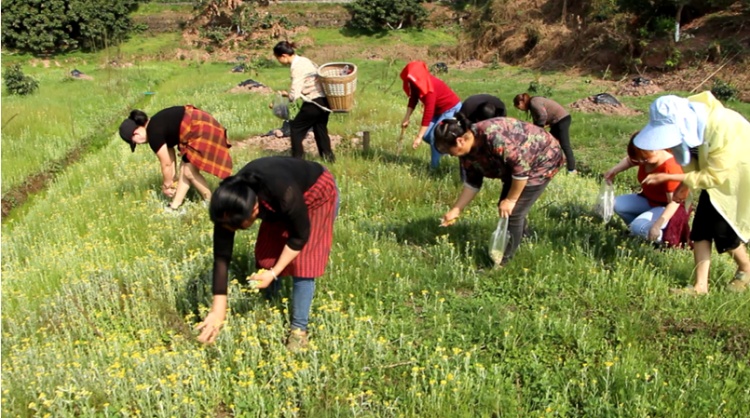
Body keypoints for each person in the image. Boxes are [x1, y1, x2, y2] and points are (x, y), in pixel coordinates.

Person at [197, 156, 339, 351]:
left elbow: (299, 237)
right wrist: (217, 309)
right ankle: (269, 302)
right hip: (280, 197)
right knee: (267, 255)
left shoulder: (283, 193)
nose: (232, 231)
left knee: (304, 264)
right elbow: (221, 258)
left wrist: (274, 272)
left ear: (255, 209)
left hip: (315, 193)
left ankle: (299, 330)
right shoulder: (229, 203)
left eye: (238, 227)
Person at [635, 92, 750, 294]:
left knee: (723, 229)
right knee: (701, 228)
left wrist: (671, 179)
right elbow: (688, 160)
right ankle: (700, 287)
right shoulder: (686, 124)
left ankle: (746, 268)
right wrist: (684, 185)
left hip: (739, 175)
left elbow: (715, 176)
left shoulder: (721, 126)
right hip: (715, 176)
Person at [434, 114, 564, 264]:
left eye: (449, 151)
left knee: (513, 212)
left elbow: (521, 170)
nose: (450, 155)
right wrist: (456, 209)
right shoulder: (466, 152)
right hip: (516, 169)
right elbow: (473, 182)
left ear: (460, 140)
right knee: (506, 209)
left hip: (542, 160)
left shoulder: (493, 137)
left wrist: (511, 199)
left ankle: (503, 262)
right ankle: (524, 237)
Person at [118, 106, 233, 210]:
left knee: (188, 171)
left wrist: (167, 185)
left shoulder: (153, 134)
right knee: (185, 170)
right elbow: (171, 159)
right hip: (199, 125)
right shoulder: (155, 125)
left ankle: (211, 201)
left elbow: (166, 164)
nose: (138, 144)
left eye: (135, 142)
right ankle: (175, 206)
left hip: (200, 129)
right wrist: (173, 180)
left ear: (136, 133)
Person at [604, 133, 689, 245]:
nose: (640, 163)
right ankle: (636, 229)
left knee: (639, 227)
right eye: (638, 160)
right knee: (615, 204)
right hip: (649, 200)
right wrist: (614, 171)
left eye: (644, 160)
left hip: (667, 207)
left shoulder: (670, 167)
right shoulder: (645, 156)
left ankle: (661, 239)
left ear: (656, 150)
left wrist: (657, 225)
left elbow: (674, 203)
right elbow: (630, 161)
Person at [272, 41, 335, 162]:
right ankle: (329, 158)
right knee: (320, 129)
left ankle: (297, 161)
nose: (279, 61)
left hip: (314, 102)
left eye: (278, 58)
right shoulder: (305, 60)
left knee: (295, 129)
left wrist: (281, 101)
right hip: (324, 100)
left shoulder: (297, 67)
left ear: (284, 55)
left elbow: (295, 93)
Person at [400, 60, 462, 169]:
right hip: (438, 110)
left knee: (435, 136)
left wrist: (418, 137)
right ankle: (445, 150)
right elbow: (413, 99)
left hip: (450, 108)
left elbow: (428, 113)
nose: (410, 81)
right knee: (426, 135)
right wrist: (407, 117)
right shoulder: (416, 83)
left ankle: (434, 169)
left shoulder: (430, 88)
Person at [513, 93, 576, 173]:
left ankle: (571, 169)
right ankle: (553, 164)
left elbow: (542, 115)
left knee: (565, 145)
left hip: (562, 120)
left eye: (518, 107)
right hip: (557, 122)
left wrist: (540, 130)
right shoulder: (533, 103)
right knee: (550, 144)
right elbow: (538, 120)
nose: (519, 109)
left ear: (521, 103)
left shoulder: (534, 102)